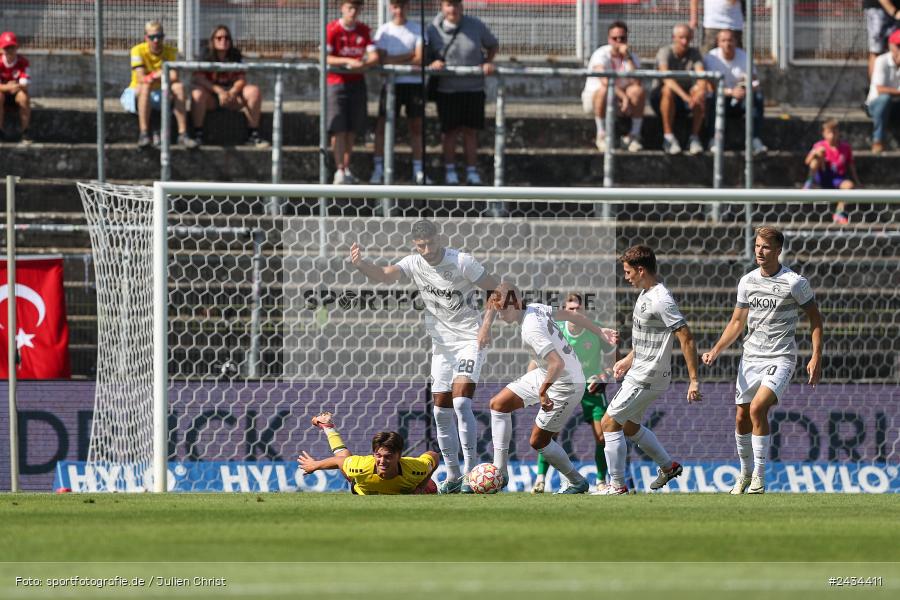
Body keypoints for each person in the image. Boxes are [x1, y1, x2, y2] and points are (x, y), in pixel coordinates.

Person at [349, 220, 500, 493]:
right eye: (421, 246)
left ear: (438, 238)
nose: (427, 250)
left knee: (462, 402)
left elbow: (496, 289)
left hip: (469, 339)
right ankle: (453, 475)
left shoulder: (462, 261)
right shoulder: (413, 262)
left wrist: (486, 327)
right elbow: (385, 274)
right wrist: (362, 265)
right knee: (440, 410)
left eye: (430, 243)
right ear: (414, 244)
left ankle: (470, 473)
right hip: (441, 345)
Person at [702, 226, 823, 495]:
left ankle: (759, 476)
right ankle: (745, 473)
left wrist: (816, 355)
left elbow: (815, 317)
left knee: (758, 409)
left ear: (778, 251)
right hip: (751, 357)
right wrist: (716, 349)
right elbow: (737, 322)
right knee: (741, 416)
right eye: (757, 245)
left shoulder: (794, 282)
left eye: (766, 247)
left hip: (780, 357)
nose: (760, 250)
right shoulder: (747, 281)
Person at [481, 284, 618, 494]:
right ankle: (501, 471)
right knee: (498, 405)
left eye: (503, 310)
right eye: (497, 310)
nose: (500, 315)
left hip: (566, 384)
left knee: (539, 441)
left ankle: (576, 481)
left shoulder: (530, 329)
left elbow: (557, 364)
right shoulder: (536, 307)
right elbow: (572, 317)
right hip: (548, 373)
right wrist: (599, 330)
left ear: (516, 303)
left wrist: (543, 392)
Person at [595, 245, 703, 495]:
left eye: (628, 271)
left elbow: (686, 337)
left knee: (609, 423)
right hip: (640, 370)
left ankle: (617, 485)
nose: (626, 277)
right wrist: (628, 359)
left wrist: (694, 380)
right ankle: (668, 466)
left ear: (641, 270)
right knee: (630, 427)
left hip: (647, 375)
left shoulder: (660, 299)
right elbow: (651, 337)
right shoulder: (645, 295)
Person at [531, 293, 617, 494]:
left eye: (578, 309)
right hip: (563, 387)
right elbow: (538, 359)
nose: (575, 312)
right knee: (549, 434)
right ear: (564, 312)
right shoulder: (556, 331)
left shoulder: (595, 331)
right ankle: (540, 479)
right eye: (571, 309)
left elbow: (614, 361)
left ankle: (601, 481)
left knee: (602, 436)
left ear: (584, 311)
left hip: (590, 388)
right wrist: (536, 385)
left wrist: (604, 375)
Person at [426, 0, 499, 185]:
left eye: (457, 4)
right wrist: (433, 63)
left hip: (473, 88)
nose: (453, 9)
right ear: (442, 7)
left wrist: (487, 62)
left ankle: (472, 171)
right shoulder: (433, 29)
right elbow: (427, 55)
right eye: (449, 5)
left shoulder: (475, 25)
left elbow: (492, 44)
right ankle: (450, 171)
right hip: (447, 90)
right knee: (449, 131)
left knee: (470, 131)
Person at [298, 411, 440, 494]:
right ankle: (328, 428)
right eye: (378, 456)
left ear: (399, 455)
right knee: (344, 457)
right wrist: (314, 465)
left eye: (388, 457)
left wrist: (421, 487)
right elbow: (339, 461)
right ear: (373, 454)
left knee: (431, 488)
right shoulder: (361, 467)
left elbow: (433, 456)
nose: (382, 461)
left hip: (410, 484)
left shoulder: (416, 468)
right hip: (361, 484)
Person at [370, 0, 426, 185]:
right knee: (382, 126)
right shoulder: (384, 31)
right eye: (396, 6)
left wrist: (394, 61)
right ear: (390, 8)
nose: (399, 10)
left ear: (408, 7)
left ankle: (419, 170)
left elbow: (419, 58)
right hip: (391, 85)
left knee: (416, 126)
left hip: (414, 84)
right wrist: (408, 55)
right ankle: (379, 169)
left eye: (403, 6)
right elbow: (381, 60)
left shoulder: (417, 29)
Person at [191, 25, 269, 149]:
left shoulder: (235, 54)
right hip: (212, 98)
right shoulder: (205, 54)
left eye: (227, 38)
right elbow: (198, 78)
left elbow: (241, 79)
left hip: (232, 98)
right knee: (197, 94)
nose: (223, 41)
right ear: (213, 40)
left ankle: (253, 135)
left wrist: (232, 92)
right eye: (219, 38)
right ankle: (197, 135)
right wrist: (219, 91)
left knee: (254, 91)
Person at [326, 0, 379, 184]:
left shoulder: (364, 30)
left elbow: (374, 56)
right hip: (336, 84)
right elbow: (325, 56)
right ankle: (339, 169)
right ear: (342, 8)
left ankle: (345, 168)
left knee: (352, 130)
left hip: (357, 84)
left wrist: (363, 64)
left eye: (356, 8)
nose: (353, 11)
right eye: (350, 7)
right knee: (338, 129)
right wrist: (346, 61)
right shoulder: (332, 29)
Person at [121, 20, 196, 149]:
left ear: (163, 37)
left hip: (162, 93)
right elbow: (141, 78)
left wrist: (155, 76)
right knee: (145, 86)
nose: (156, 40)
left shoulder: (172, 52)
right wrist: (162, 73)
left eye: (159, 37)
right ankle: (144, 134)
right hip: (138, 92)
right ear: (146, 38)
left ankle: (183, 134)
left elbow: (174, 77)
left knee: (179, 87)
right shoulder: (137, 50)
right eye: (152, 37)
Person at [581, 21, 645, 153]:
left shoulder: (632, 57)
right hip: (597, 100)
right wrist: (624, 97)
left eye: (622, 38)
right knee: (604, 91)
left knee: (638, 91)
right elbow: (605, 81)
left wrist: (627, 58)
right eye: (615, 38)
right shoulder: (600, 54)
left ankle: (634, 136)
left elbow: (637, 82)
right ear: (608, 39)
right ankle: (601, 134)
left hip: (620, 101)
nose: (619, 41)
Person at [702, 28, 767, 155]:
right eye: (724, 40)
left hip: (741, 98)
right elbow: (709, 86)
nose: (727, 44)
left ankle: (754, 140)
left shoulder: (744, 57)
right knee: (714, 98)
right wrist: (731, 92)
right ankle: (714, 140)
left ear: (736, 42)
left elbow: (755, 83)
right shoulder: (711, 58)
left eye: (730, 40)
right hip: (721, 98)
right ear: (718, 42)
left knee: (757, 97)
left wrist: (744, 89)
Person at [651, 24, 708, 155]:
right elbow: (667, 77)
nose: (684, 41)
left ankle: (694, 137)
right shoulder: (665, 52)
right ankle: (668, 137)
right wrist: (686, 97)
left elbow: (701, 75)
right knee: (667, 90)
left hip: (685, 100)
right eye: (681, 37)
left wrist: (700, 90)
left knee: (700, 93)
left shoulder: (694, 53)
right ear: (674, 38)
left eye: (688, 38)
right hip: (661, 98)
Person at [802, 119, 861, 224]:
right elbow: (807, 162)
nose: (832, 135)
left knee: (849, 186)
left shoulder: (845, 147)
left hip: (838, 178)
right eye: (829, 132)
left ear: (839, 133)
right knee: (817, 158)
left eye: (835, 132)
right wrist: (815, 153)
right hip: (822, 176)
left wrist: (857, 181)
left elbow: (851, 166)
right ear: (824, 133)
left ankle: (839, 213)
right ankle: (809, 183)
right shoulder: (819, 145)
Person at [865, 29, 900, 154]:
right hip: (876, 105)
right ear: (891, 46)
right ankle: (877, 140)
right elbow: (880, 90)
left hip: (896, 105)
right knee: (885, 99)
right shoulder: (881, 61)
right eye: (899, 46)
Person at [0, 32, 32, 145]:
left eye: (12, 47)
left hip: (16, 93)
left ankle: (25, 132)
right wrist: (7, 87)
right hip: (3, 95)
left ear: (16, 48)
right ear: (2, 49)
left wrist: (15, 86)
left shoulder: (23, 62)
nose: (10, 51)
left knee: (24, 97)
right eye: (7, 48)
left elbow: (26, 82)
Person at [864, 0, 900, 80]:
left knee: (893, 50)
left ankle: (891, 85)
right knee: (877, 51)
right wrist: (894, 11)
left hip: (894, 10)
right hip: (881, 9)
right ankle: (875, 86)